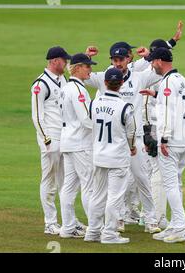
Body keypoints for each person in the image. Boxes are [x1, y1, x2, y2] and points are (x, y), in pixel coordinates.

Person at [141, 47, 185, 243]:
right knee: (176, 184)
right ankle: (175, 224)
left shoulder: (168, 81)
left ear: (160, 61)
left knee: (169, 185)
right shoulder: (182, 80)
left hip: (170, 140)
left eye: (153, 61)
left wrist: (163, 139)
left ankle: (180, 227)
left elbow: (170, 112)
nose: (152, 65)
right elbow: (176, 104)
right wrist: (155, 94)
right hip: (183, 138)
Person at [85, 68, 137, 244]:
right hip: (117, 158)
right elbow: (131, 132)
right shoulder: (125, 107)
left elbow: (90, 123)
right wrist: (132, 147)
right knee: (115, 196)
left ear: (105, 83)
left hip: (98, 155)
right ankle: (109, 234)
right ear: (121, 83)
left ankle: (92, 231)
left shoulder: (94, 103)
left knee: (97, 195)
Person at [31, 46, 70, 235]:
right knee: (50, 180)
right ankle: (50, 222)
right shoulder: (40, 84)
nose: (67, 63)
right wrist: (46, 140)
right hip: (51, 140)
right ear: (55, 61)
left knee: (65, 181)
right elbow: (37, 117)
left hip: (65, 138)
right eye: (64, 60)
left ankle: (68, 222)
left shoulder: (62, 79)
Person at [59, 53, 97, 238]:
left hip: (67, 141)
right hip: (80, 143)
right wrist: (103, 134)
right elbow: (86, 120)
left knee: (68, 186)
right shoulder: (78, 90)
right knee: (88, 185)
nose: (90, 69)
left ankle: (67, 228)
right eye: (88, 66)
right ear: (78, 68)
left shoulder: (66, 87)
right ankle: (95, 228)